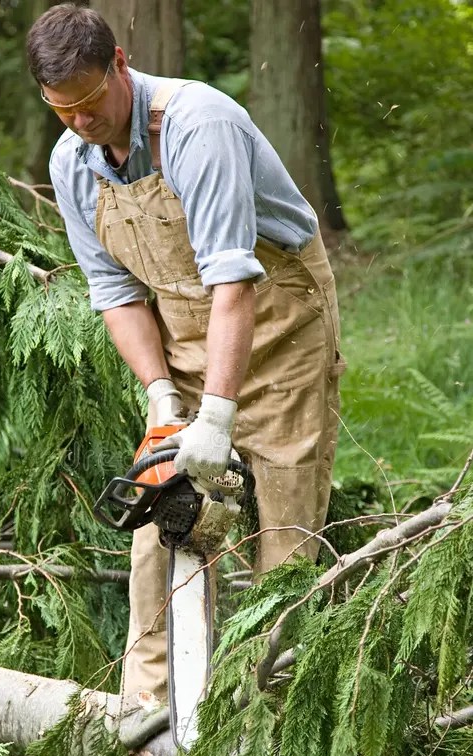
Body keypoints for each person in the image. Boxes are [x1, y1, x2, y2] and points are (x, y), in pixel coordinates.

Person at [27, 3, 344, 708]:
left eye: (87, 103)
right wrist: (164, 398)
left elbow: (233, 282)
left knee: (284, 520)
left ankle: (274, 720)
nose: (80, 122)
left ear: (119, 65)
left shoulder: (199, 127)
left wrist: (221, 416)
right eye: (60, 110)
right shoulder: (73, 163)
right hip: (181, 337)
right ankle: (150, 723)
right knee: (162, 522)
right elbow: (116, 294)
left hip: (278, 326)